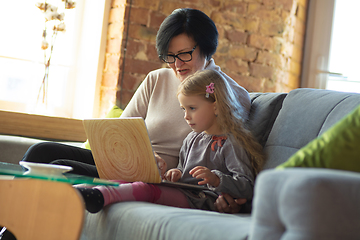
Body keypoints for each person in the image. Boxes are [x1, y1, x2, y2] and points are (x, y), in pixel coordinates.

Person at [21, 8, 251, 212]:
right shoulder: (158, 78)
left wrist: (224, 192)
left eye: (184, 54)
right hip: (125, 160)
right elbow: (119, 130)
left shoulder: (230, 94)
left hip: (159, 176)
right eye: (170, 56)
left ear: (206, 48)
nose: (177, 64)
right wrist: (142, 154)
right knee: (40, 153)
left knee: (59, 170)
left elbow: (230, 151)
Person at [76, 69, 264, 213]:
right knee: (130, 179)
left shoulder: (232, 142)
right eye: (183, 109)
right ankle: (81, 191)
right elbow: (183, 170)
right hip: (183, 191)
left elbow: (246, 186)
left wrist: (216, 179)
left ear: (215, 106)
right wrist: (175, 173)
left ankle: (100, 196)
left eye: (192, 108)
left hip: (200, 199)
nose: (186, 116)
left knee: (147, 189)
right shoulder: (192, 138)